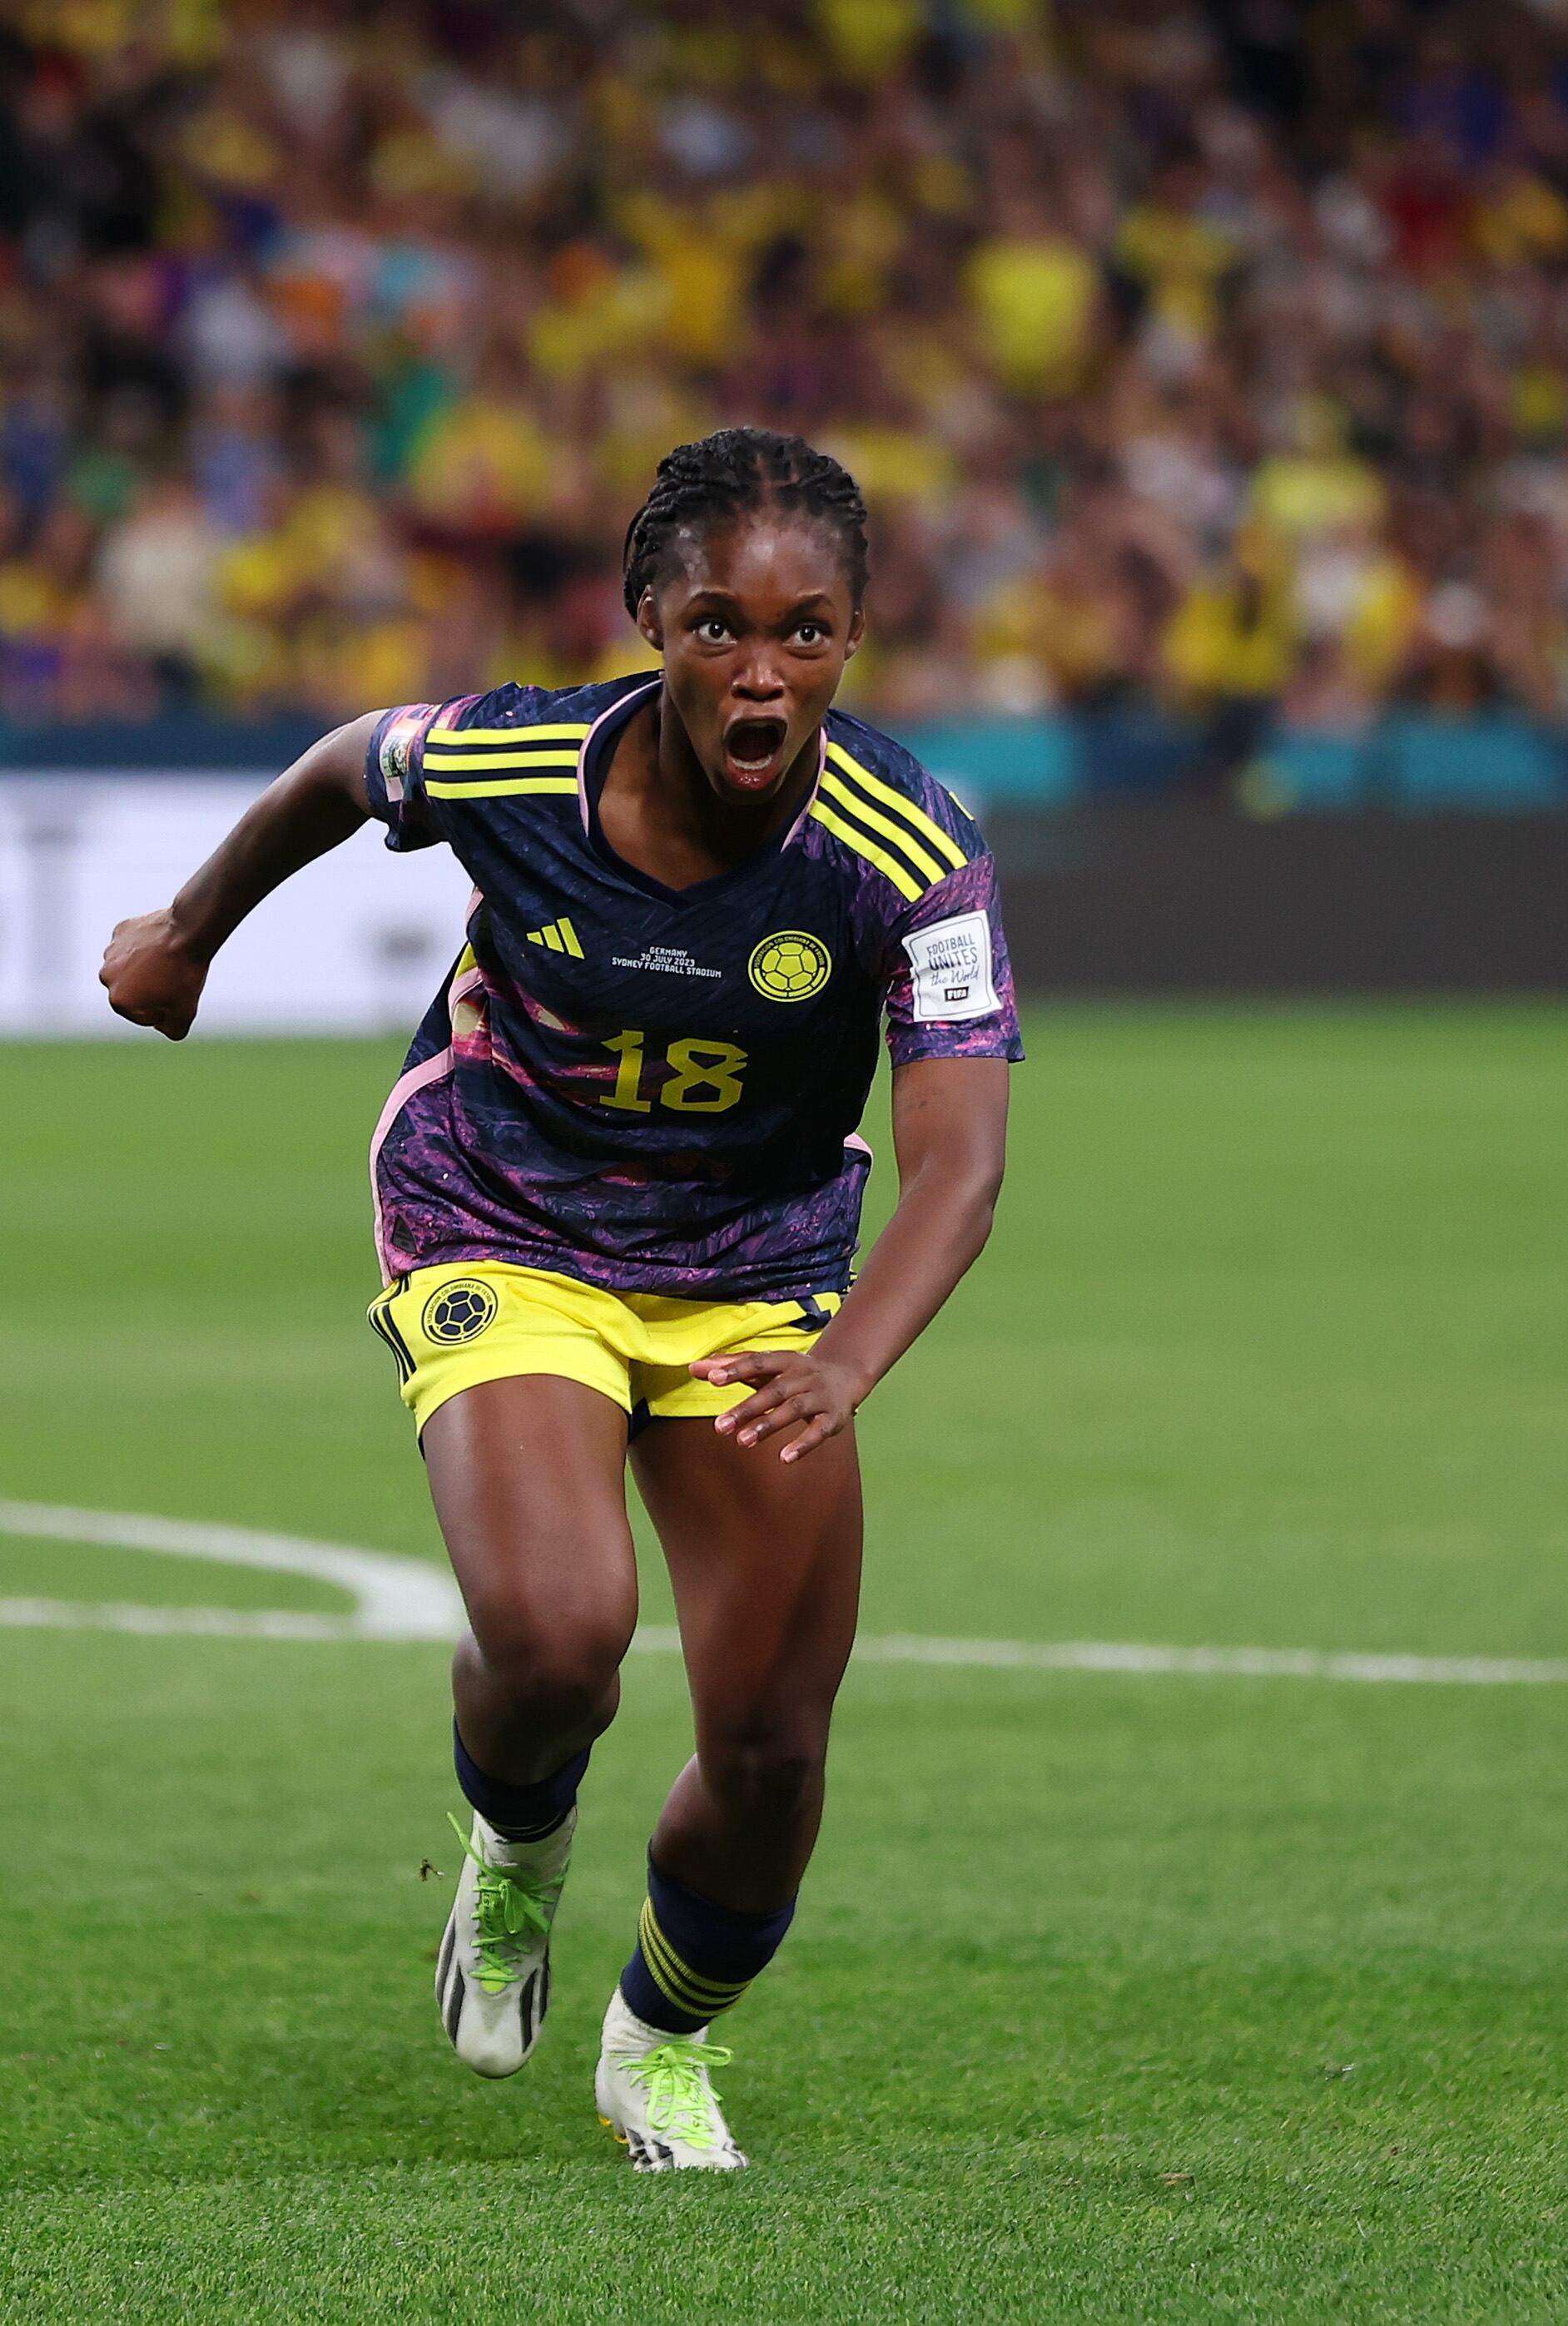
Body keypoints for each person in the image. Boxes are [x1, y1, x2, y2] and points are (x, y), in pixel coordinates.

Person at [99, 428, 1019, 2170]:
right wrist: (189, 933)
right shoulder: (521, 757)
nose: (765, 674)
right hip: (499, 1211)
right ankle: (514, 1855)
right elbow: (336, 769)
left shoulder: (909, 850)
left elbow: (960, 1166)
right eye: (721, 628)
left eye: (810, 634)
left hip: (753, 1275)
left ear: (854, 638)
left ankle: (658, 2045)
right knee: (560, 1634)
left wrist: (846, 1361)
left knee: (768, 1753)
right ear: (648, 621)